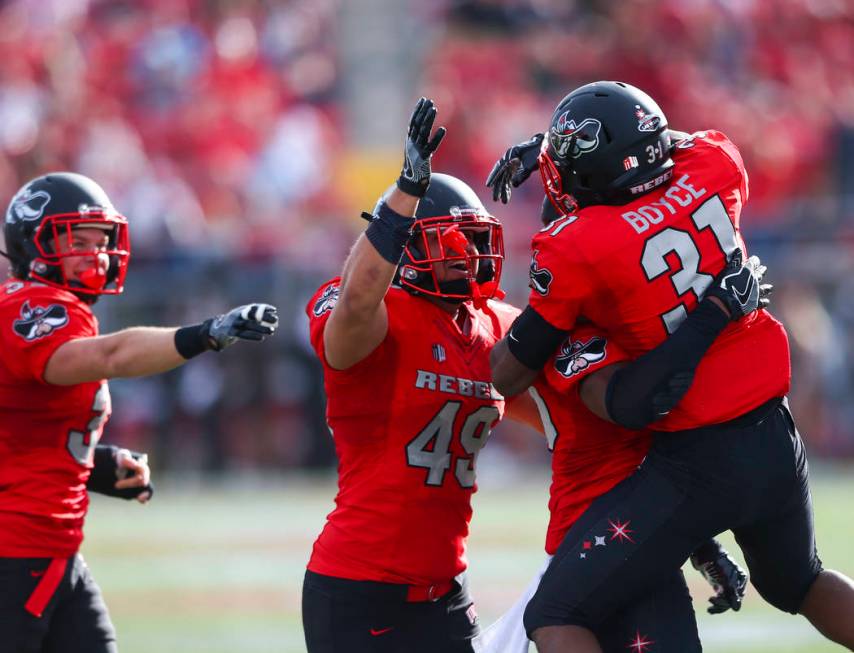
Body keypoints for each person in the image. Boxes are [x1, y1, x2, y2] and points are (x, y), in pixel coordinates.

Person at [301, 97, 747, 653]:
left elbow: (599, 439)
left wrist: (696, 541)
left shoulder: (494, 326)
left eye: (472, 239)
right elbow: (357, 301)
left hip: (447, 594)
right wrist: (405, 195)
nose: (467, 255)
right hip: (358, 588)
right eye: (448, 241)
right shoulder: (377, 318)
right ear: (409, 247)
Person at [486, 80, 854, 652]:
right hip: (776, 433)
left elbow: (514, 372)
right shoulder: (715, 164)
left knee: (554, 612)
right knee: (798, 582)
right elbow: (667, 147)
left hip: (697, 456)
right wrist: (554, 146)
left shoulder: (580, 246)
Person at [0, 172, 279, 653]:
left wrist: (94, 465)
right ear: (35, 244)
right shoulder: (29, 307)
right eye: (77, 241)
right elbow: (110, 357)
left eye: (101, 241)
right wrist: (205, 333)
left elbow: (21, 429)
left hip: (52, 548)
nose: (97, 254)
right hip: (16, 552)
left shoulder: (59, 308)